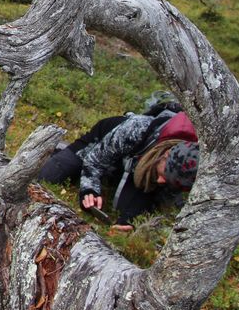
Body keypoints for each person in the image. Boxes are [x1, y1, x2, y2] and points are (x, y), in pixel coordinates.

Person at [36, 94, 199, 231]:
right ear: (166, 153)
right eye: (164, 174)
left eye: (168, 180)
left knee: (129, 212)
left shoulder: (190, 169)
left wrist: (130, 224)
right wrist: (89, 191)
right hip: (100, 143)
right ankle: (62, 152)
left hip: (133, 165)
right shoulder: (137, 129)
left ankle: (113, 176)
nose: (160, 180)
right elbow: (95, 161)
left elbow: (159, 197)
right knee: (47, 176)